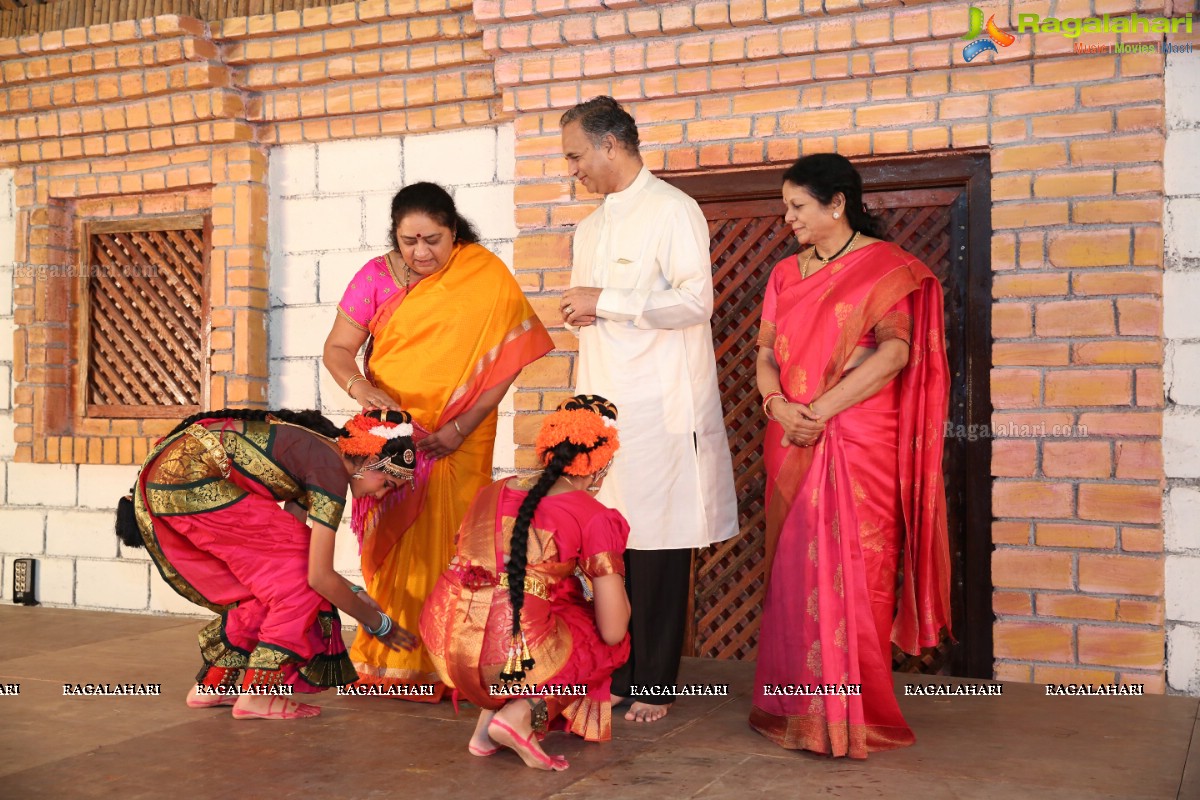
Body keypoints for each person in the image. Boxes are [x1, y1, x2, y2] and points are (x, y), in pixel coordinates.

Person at [750, 153, 951, 758]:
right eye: (787, 207)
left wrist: (819, 410)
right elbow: (764, 353)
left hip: (858, 438)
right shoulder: (786, 274)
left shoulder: (886, 268)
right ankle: (799, 710)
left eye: (798, 207)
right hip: (791, 434)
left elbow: (894, 354)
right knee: (795, 573)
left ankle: (853, 714)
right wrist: (778, 406)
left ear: (837, 203)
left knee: (858, 573)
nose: (789, 219)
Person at [323, 182, 554, 699]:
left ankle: (453, 660)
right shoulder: (374, 279)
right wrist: (366, 392)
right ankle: (393, 663)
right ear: (395, 237)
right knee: (389, 549)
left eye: (433, 240)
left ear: (455, 233)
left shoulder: (483, 273)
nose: (421, 252)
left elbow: (508, 361)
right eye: (409, 241)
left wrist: (462, 425)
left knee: (458, 545)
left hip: (461, 435)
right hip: (391, 433)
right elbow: (337, 349)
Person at [557, 96, 738, 723]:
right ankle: (614, 671)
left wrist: (604, 298)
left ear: (613, 144)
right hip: (606, 408)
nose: (573, 169)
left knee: (658, 546)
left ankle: (654, 684)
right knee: (606, 543)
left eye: (577, 155)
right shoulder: (589, 228)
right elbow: (594, 316)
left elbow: (695, 302)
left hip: (662, 409)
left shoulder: (673, 210)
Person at [115, 407, 421, 720]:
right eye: (386, 483)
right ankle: (259, 696)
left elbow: (291, 555)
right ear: (370, 461)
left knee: (273, 587)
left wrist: (353, 591)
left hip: (169, 484)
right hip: (188, 483)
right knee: (297, 589)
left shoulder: (320, 455)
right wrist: (377, 622)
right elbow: (315, 577)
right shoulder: (329, 468)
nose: (381, 495)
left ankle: (216, 685)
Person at [420, 395, 630, 771]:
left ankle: (485, 727)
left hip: (444, 643)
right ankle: (522, 715)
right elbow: (613, 631)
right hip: (504, 653)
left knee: (546, 597)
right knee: (607, 639)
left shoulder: (494, 490)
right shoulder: (593, 515)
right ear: (601, 465)